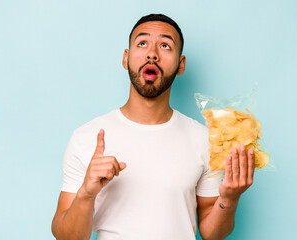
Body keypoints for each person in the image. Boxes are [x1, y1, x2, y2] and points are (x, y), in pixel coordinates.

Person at [51, 14, 255, 240]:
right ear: (126, 58)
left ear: (181, 64)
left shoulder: (204, 139)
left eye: (165, 46)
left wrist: (229, 199)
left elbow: (211, 233)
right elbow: (65, 236)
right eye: (142, 43)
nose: (152, 53)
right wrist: (86, 195)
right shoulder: (86, 137)